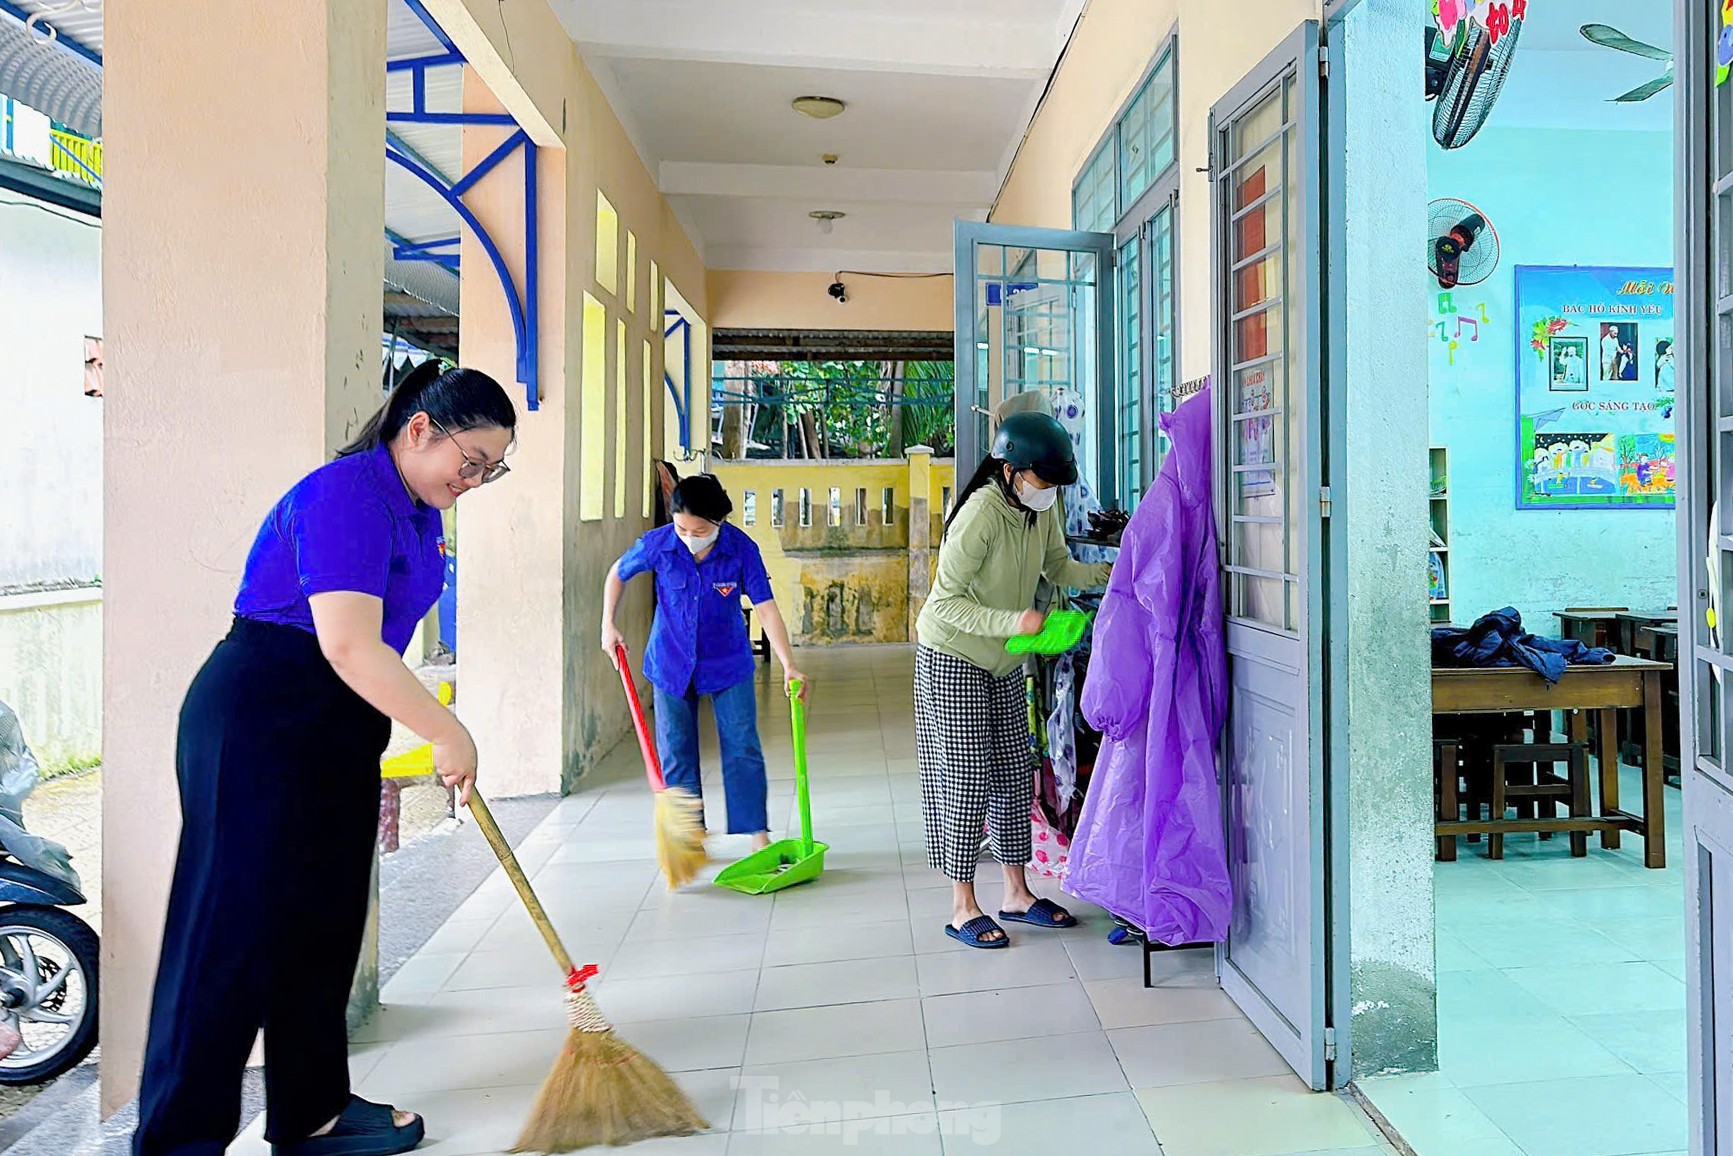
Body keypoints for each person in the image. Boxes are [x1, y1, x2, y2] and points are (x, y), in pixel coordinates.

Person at [133, 361, 516, 1156]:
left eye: (491, 469)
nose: (475, 480)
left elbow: (362, 656)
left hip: (336, 723)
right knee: (227, 933)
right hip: (260, 716)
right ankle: (175, 1141)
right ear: (419, 430)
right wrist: (447, 732)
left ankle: (311, 1113)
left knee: (324, 920)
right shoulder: (345, 492)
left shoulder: (417, 510)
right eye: (470, 462)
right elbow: (345, 643)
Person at [914, 411, 1113, 948]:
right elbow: (944, 601)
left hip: (1003, 658)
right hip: (952, 655)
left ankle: (1016, 894)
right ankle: (961, 906)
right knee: (966, 777)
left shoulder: (1036, 508)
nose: (1048, 491)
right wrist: (1015, 621)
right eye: (1041, 480)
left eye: (1054, 484)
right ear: (1010, 469)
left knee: (1012, 775)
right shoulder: (980, 513)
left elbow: (1059, 568)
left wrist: (1113, 570)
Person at [602, 474, 804, 851]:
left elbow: (766, 607)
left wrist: (788, 663)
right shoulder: (660, 544)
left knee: (742, 745)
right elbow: (618, 573)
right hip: (670, 662)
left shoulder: (741, 549)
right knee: (675, 750)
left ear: (719, 522)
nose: (690, 536)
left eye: (699, 529)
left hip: (728, 664)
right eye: (682, 527)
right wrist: (607, 624)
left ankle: (757, 833)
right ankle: (687, 840)